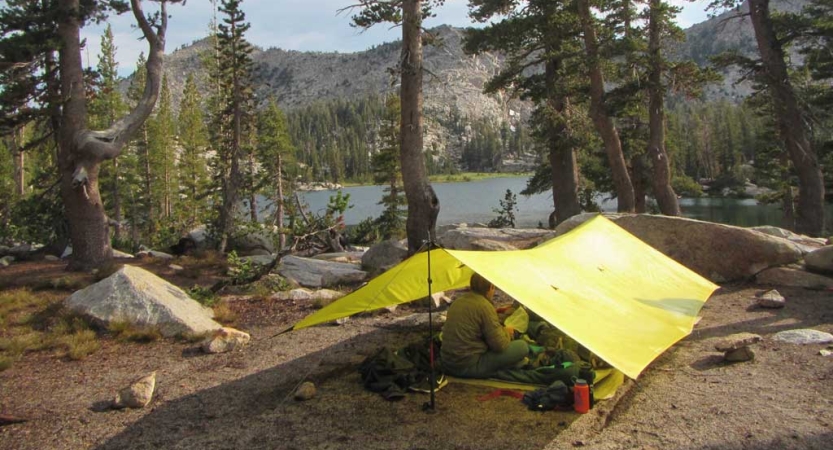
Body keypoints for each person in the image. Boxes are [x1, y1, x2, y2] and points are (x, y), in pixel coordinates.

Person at [441, 272, 529, 378]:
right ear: (491, 287)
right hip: (468, 365)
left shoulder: (457, 302)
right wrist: (507, 332)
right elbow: (499, 345)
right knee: (522, 346)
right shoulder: (484, 306)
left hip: (447, 363)